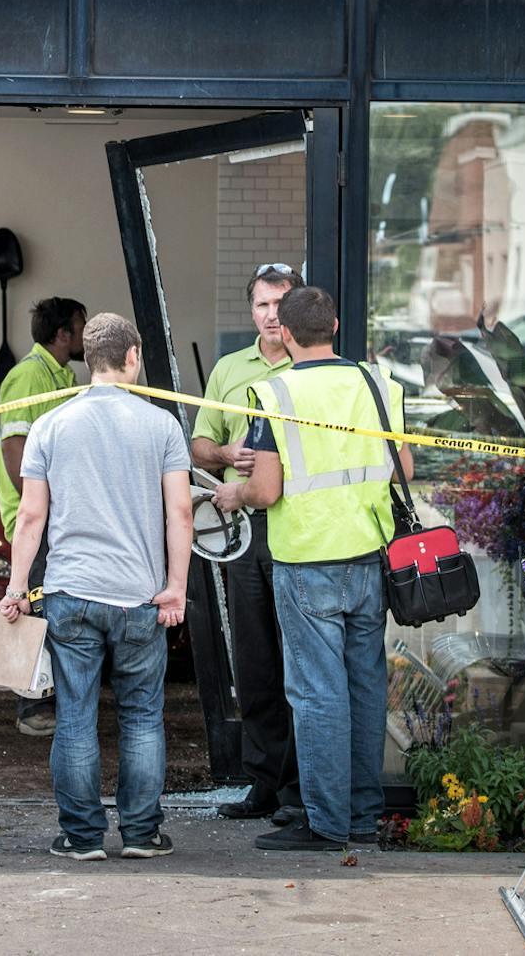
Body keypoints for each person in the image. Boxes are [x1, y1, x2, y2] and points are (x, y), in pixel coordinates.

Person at [212, 286, 412, 854]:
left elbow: (267, 487)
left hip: (305, 562)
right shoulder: (377, 384)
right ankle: (362, 817)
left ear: (289, 335)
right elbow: (404, 467)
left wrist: (234, 496)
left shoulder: (274, 392)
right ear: (337, 326)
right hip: (369, 559)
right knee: (366, 687)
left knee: (318, 693)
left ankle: (324, 822)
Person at [0, 312, 191, 861]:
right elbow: (179, 512)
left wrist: (17, 587)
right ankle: (141, 834)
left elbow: (31, 519)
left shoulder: (51, 425)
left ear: (87, 360)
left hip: (70, 594)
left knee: (76, 717)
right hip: (139, 598)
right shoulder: (162, 426)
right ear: (133, 356)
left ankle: (82, 838)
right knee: (141, 717)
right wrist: (175, 587)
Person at [189, 264, 304, 824]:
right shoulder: (231, 370)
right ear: (251, 311)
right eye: (262, 305)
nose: (272, 315)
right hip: (246, 532)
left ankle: (303, 789)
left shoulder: (315, 368)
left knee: (300, 662)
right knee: (256, 659)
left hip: (301, 528)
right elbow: (198, 444)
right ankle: (265, 782)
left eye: (281, 303)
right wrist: (226, 456)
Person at [0, 295, 85, 735]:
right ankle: (31, 707)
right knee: (30, 605)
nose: (85, 335)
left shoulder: (64, 376)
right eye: (81, 326)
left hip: (57, 516)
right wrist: (36, 512)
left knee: (49, 606)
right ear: (64, 334)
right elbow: (15, 450)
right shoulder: (27, 376)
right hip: (40, 518)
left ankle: (51, 700)